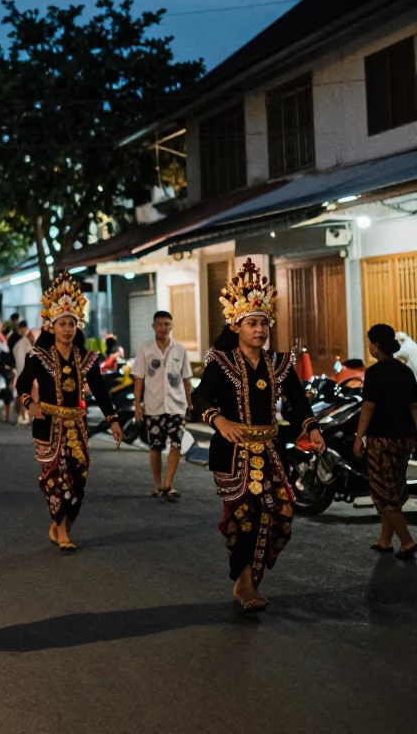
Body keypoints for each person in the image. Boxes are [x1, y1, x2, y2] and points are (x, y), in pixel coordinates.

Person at [191, 259, 325, 613]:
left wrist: (310, 427)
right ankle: (245, 582)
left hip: (269, 452)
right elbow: (200, 397)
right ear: (236, 326)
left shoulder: (279, 364)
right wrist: (218, 421)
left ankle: (249, 576)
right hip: (232, 453)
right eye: (252, 323)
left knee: (278, 510)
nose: (260, 330)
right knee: (244, 518)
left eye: (263, 323)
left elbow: (297, 401)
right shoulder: (222, 363)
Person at [16, 274, 122, 552]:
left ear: (78, 325)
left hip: (77, 426)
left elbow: (100, 390)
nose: (67, 329)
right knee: (57, 478)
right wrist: (31, 404)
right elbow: (22, 384)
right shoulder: (38, 356)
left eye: (71, 323)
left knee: (79, 480)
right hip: (48, 425)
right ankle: (62, 532)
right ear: (51, 326)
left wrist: (113, 420)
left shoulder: (87, 358)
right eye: (62, 323)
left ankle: (62, 525)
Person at [355, 323, 417, 559]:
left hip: (382, 439)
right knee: (394, 489)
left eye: (370, 342)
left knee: (382, 492)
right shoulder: (405, 371)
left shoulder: (374, 373)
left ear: (377, 345)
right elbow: (414, 406)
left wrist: (358, 437)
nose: (369, 346)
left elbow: (368, 407)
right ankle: (384, 541)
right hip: (405, 439)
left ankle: (408, 542)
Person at [132, 310, 193, 500]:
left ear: (171, 326)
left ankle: (168, 484)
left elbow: (186, 380)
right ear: (153, 327)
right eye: (159, 324)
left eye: (166, 324)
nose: (162, 328)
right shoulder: (146, 349)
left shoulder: (180, 350)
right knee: (155, 445)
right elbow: (139, 379)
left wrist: (190, 403)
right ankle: (158, 484)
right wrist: (137, 405)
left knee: (176, 443)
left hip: (177, 405)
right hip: (153, 405)